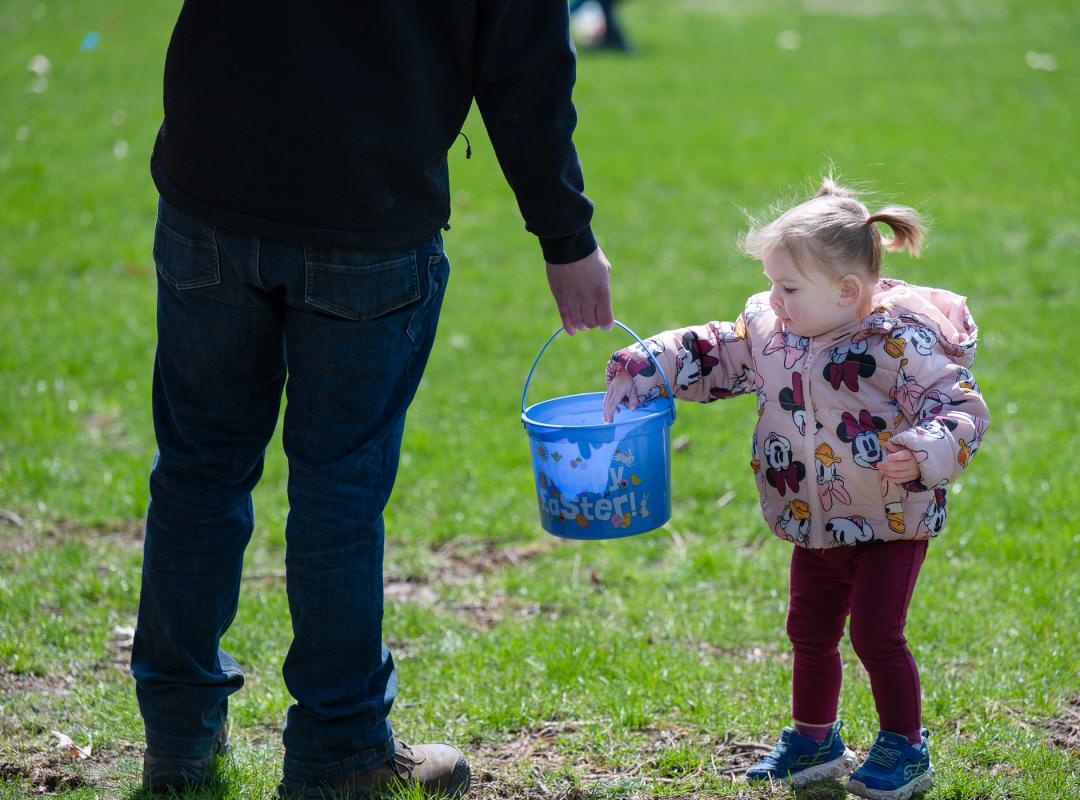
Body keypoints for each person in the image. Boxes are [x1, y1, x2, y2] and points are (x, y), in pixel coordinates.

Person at [130, 3, 614, 799]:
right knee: (338, 492)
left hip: (214, 181)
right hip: (367, 213)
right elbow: (524, 68)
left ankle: (179, 743)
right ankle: (341, 751)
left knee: (199, 469)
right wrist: (566, 237)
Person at [602, 178, 989, 800]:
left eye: (788, 288)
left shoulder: (899, 341)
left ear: (846, 291)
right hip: (811, 516)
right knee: (808, 630)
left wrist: (924, 453)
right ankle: (815, 739)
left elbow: (960, 407)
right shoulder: (771, 329)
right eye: (772, 283)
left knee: (874, 633)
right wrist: (653, 360)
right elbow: (719, 353)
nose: (773, 299)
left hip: (892, 519)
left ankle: (905, 746)